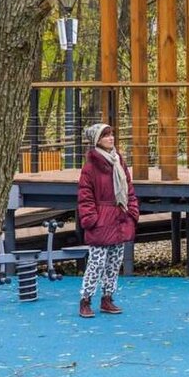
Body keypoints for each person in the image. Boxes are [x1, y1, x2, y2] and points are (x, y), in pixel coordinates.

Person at [76, 122, 140, 318]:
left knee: (114, 262)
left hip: (119, 216)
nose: (111, 138)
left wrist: (132, 211)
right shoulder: (90, 167)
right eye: (106, 135)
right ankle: (85, 299)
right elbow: (85, 195)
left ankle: (107, 298)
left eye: (112, 135)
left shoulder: (118, 161)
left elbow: (128, 188)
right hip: (102, 218)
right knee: (96, 262)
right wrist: (91, 219)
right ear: (97, 140)